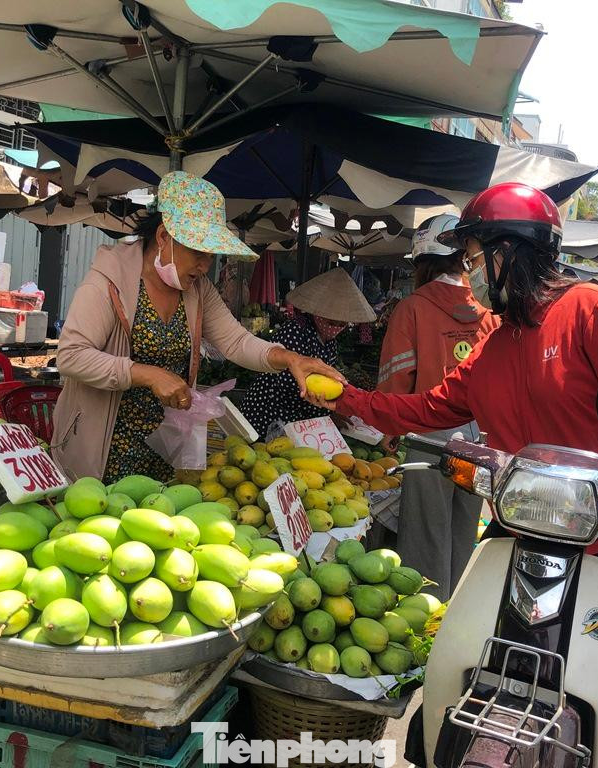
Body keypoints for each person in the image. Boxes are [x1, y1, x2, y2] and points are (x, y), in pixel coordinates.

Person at [306, 182, 598, 730]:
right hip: (524, 532)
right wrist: (345, 396)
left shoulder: (588, 307)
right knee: (465, 666)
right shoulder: (495, 343)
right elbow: (426, 409)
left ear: (509, 251)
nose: (469, 273)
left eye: (475, 258)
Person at [52, 171, 343, 483]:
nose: (205, 265)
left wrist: (290, 359)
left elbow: (236, 342)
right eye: (197, 251)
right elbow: (71, 356)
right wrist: (147, 374)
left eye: (211, 254)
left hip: (163, 450)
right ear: (163, 237)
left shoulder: (197, 290)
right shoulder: (108, 281)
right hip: (102, 448)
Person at [375, 213, 498, 601]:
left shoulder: (412, 308)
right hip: (479, 442)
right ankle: (455, 611)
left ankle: (426, 617)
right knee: (464, 531)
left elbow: (397, 379)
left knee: (426, 535)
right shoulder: (488, 314)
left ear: (422, 261)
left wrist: (390, 429)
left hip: (429, 438)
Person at [239, 268, 375, 439]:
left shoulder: (330, 342)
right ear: (318, 314)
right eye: (331, 322)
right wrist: (326, 410)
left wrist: (332, 408)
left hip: (299, 418)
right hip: (269, 411)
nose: (336, 327)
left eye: (341, 324)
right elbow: (292, 384)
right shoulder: (294, 331)